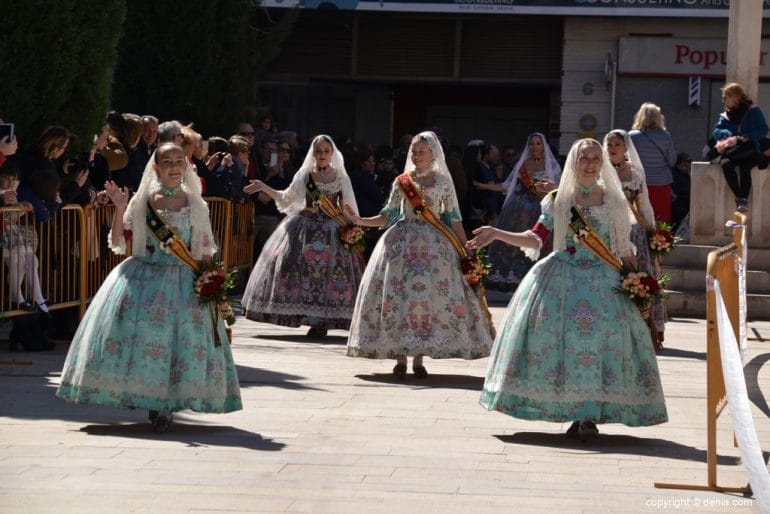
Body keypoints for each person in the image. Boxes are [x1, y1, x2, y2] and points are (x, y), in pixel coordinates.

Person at [467, 138, 667, 440]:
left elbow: (624, 249)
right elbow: (536, 239)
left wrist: (640, 284)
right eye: (583, 158)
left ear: (602, 164)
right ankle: (572, 409)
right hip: (561, 277)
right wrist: (496, 234)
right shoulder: (559, 199)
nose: (589, 164)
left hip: (605, 280)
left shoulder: (613, 200)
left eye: (595, 159)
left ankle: (589, 415)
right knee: (558, 343)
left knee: (601, 345)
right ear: (573, 162)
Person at [57, 143, 242, 433]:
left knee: (178, 345)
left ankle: (166, 405)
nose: (173, 166)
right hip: (143, 278)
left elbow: (204, 251)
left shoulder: (196, 204)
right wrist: (120, 208)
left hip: (183, 280)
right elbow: (120, 243)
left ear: (187, 166)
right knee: (145, 342)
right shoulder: (142, 202)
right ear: (155, 167)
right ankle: (151, 401)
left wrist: (210, 285)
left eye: (179, 161)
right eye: (166, 161)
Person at [343, 131, 493, 379]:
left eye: (421, 151)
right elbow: (388, 214)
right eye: (414, 151)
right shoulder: (402, 181)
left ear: (433, 153)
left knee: (428, 299)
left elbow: (454, 219)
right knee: (399, 296)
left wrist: (467, 249)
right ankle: (400, 357)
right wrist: (360, 220)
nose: (416, 155)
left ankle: (420, 358)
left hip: (435, 246)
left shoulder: (444, 182)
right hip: (401, 244)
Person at [240, 135, 363, 338]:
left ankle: (322, 321)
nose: (322, 155)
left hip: (332, 231)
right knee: (299, 271)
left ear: (332, 154)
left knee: (330, 275)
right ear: (313, 153)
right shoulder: (305, 175)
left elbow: (348, 208)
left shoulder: (341, 177)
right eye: (318, 151)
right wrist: (264, 187)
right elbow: (287, 197)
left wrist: (353, 230)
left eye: (325, 151)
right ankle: (307, 317)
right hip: (305, 229)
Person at [474, 132, 561, 292]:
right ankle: (513, 278)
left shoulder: (552, 165)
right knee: (514, 244)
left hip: (542, 209)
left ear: (544, 146)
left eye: (538, 143)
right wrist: (486, 186)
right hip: (519, 210)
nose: (535, 146)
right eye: (532, 143)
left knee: (540, 242)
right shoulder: (522, 164)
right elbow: (507, 185)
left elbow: (559, 189)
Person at [604, 129, 665, 352]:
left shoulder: (636, 174)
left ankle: (643, 328)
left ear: (626, 147)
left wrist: (653, 233)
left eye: (617, 144)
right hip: (607, 232)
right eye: (609, 144)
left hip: (633, 234)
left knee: (637, 279)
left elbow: (643, 206)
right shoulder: (600, 171)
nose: (612, 148)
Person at [712, 82, 768, 212]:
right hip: (734, 148)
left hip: (750, 147)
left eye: (725, 97)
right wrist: (731, 135)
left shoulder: (753, 110)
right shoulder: (725, 115)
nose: (722, 100)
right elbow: (716, 132)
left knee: (745, 166)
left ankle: (743, 199)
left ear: (735, 97)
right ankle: (739, 197)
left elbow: (764, 129)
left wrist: (748, 136)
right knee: (725, 164)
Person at [629, 103, 676, 222]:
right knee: (660, 217)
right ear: (658, 118)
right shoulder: (665, 136)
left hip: (638, 183)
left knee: (640, 218)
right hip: (661, 183)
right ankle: (659, 240)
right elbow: (672, 161)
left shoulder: (632, 136)